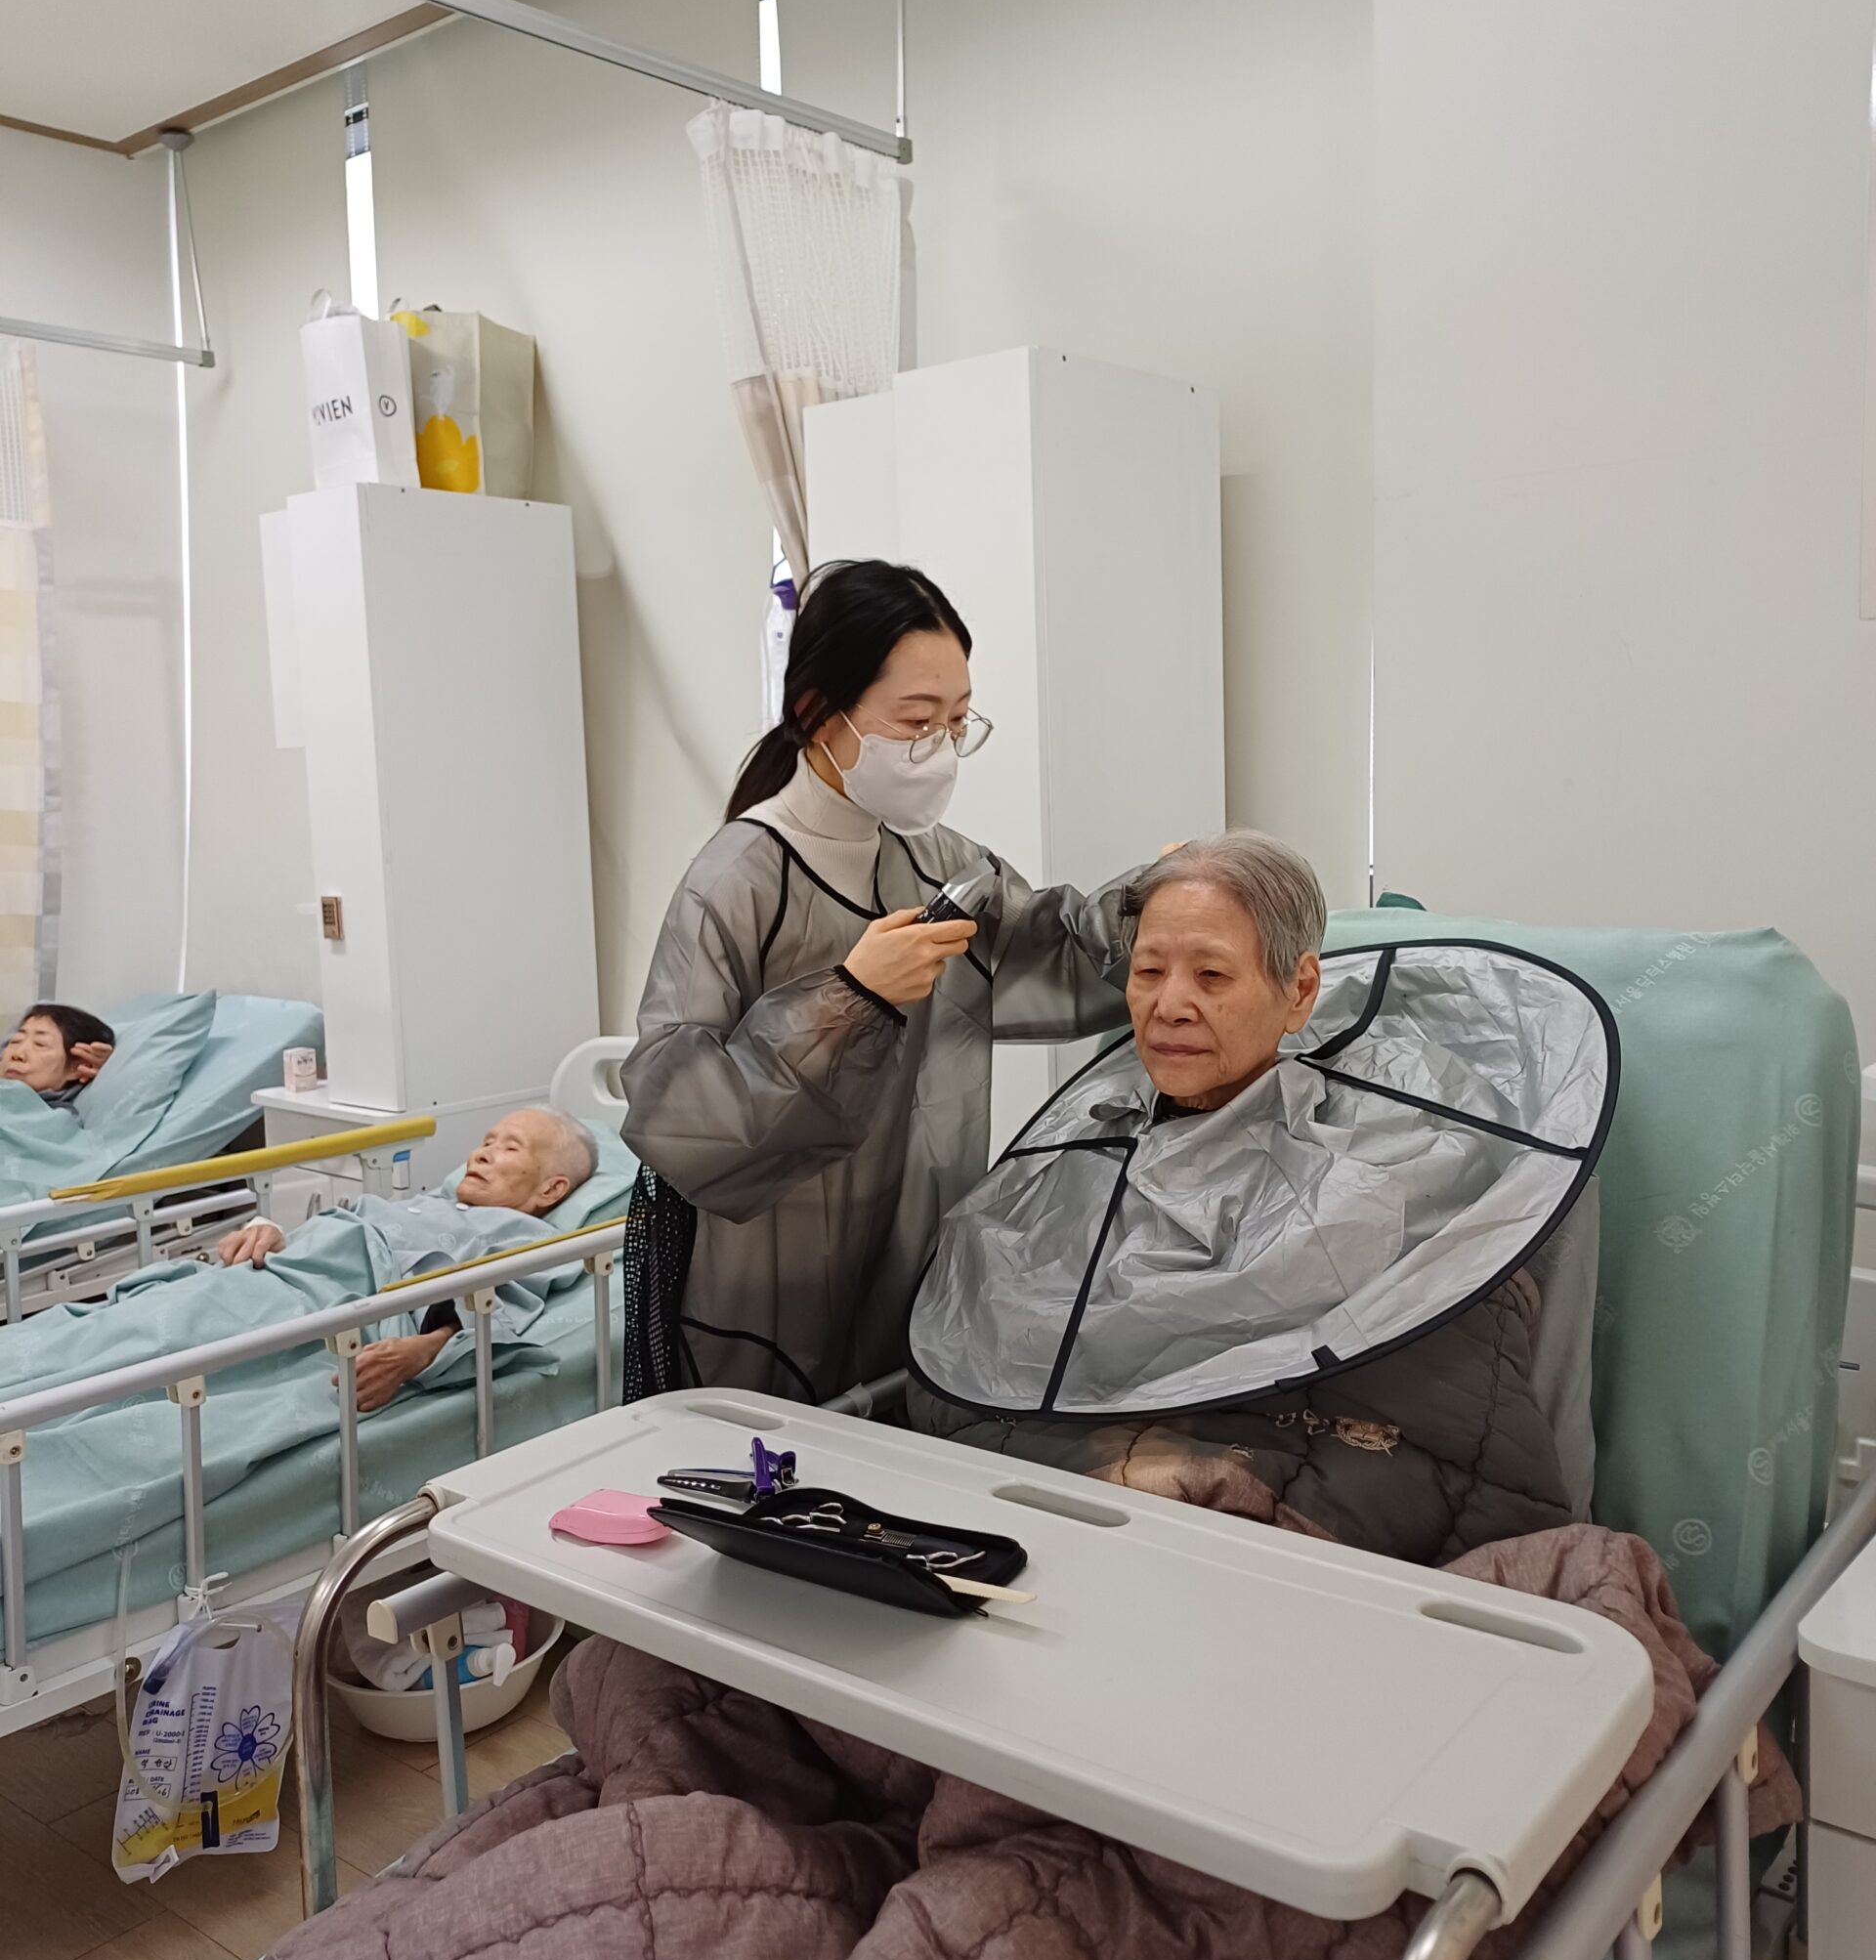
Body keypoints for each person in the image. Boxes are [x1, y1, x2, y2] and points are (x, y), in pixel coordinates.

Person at [909, 830, 1581, 1563]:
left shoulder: (1392, 1142)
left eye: (1212, 976)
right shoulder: (1094, 1137)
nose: (1169, 1005)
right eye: (1148, 971)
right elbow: (981, 1346)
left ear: (1299, 991)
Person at [620, 558, 1149, 1403]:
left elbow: (1056, 959)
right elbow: (678, 1121)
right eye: (915, 721)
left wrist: (1155, 912)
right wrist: (847, 1001)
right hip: (765, 1300)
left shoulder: (940, 862)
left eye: (957, 721)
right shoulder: (740, 877)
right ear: (816, 710)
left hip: (906, 1265)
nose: (938, 747)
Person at [0, 1108, 598, 1417]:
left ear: (551, 1189)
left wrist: (423, 1350)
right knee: (110, 1329)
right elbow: (329, 1232)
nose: (483, 1153)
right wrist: (270, 1230)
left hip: (310, 1308)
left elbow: (496, 1310)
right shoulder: (423, 1202)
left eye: (510, 1148)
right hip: (260, 1278)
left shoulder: (526, 1236)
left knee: (144, 1356)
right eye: (487, 1140)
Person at [1, 1002, 115, 1108]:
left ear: (76, 1067)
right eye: (15, 1041)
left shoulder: (52, 1119)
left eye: (40, 1044)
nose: (18, 1054)